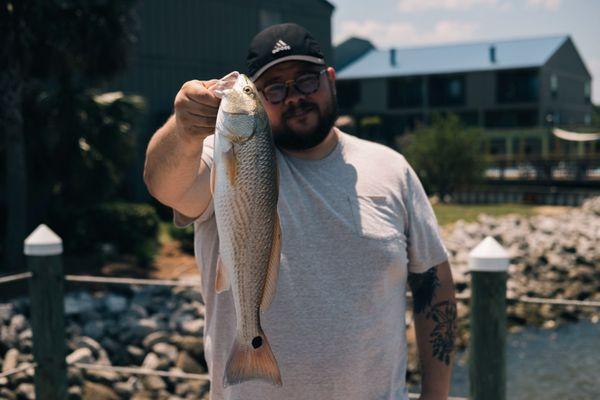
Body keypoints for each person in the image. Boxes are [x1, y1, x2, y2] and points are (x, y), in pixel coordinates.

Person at [144, 22, 456, 400]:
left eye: (306, 80)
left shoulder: (392, 169)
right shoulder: (221, 157)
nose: (293, 96)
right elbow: (164, 183)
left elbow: (432, 284)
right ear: (256, 98)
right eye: (274, 88)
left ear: (330, 80)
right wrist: (183, 130)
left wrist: (435, 395)